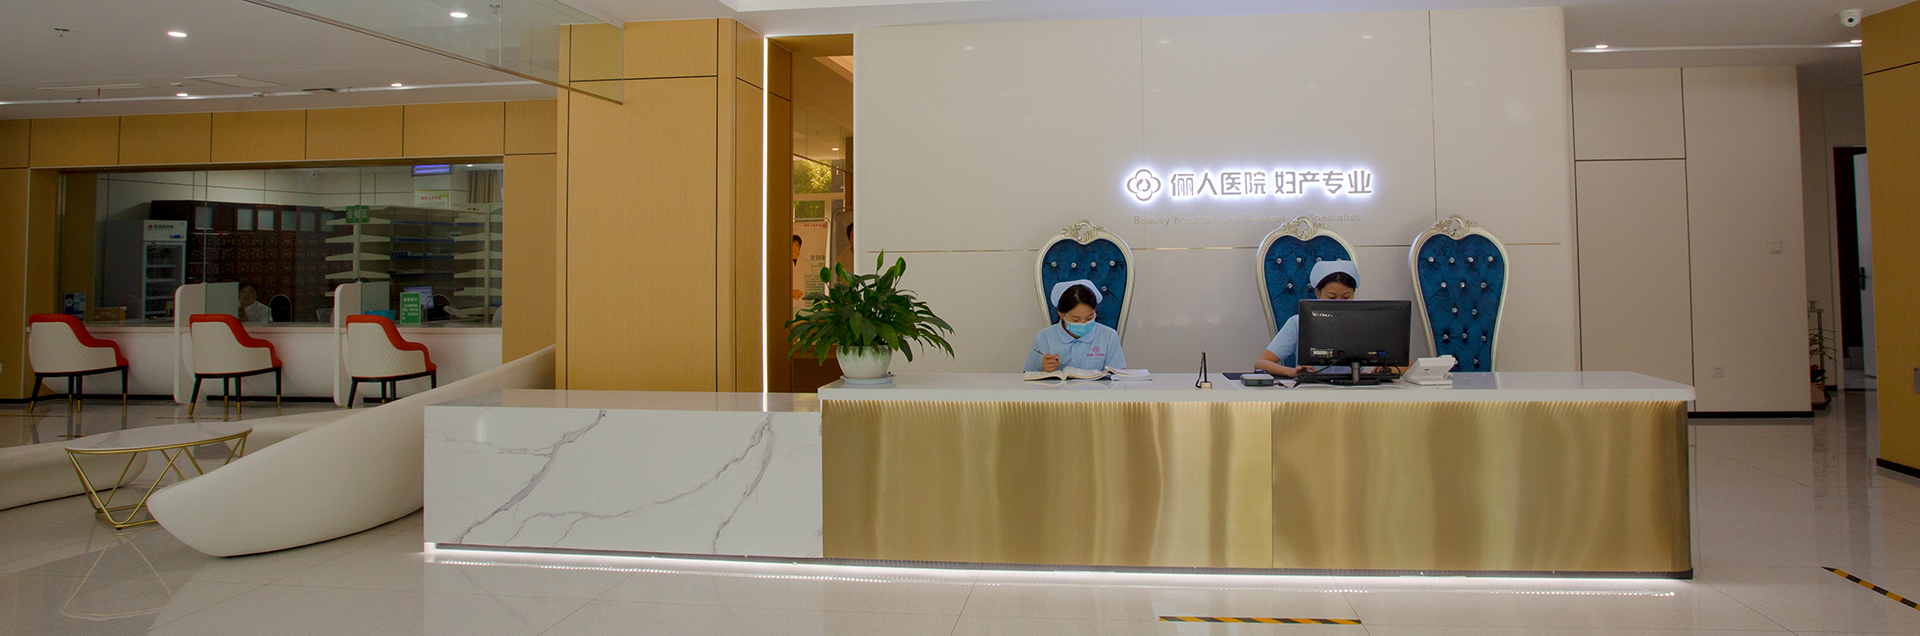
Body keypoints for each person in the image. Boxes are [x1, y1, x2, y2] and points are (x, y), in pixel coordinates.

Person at [1254, 261, 1362, 379]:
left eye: (1346, 297)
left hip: (1355, 388)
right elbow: (1261, 364)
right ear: (1318, 293)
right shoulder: (1298, 323)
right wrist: (1291, 372)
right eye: (1331, 297)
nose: (1339, 303)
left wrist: (1378, 369)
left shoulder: (1364, 323)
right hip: (1310, 388)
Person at [1025, 280, 1126, 372]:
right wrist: (1046, 370)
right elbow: (1028, 377)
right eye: (1075, 319)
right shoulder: (1045, 337)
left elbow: (1117, 376)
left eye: (1089, 317)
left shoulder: (1108, 336)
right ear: (1061, 315)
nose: (1083, 323)